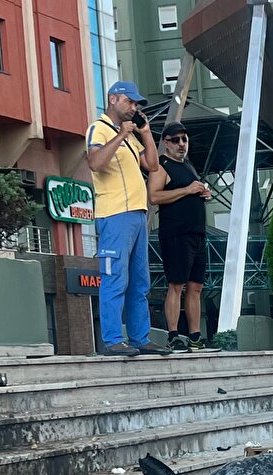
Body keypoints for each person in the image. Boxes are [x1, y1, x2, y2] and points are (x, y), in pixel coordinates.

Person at [86, 81, 170, 357]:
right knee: (114, 278)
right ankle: (112, 340)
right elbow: (95, 163)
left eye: (136, 103)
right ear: (113, 99)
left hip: (137, 214)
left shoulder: (132, 134)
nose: (134, 107)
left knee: (139, 281)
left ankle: (139, 337)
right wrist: (121, 135)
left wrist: (145, 134)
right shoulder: (99, 128)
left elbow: (154, 166)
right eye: (130, 101)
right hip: (114, 215)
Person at [148, 122, 214, 352]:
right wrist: (187, 190)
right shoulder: (161, 165)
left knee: (196, 286)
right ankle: (174, 335)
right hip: (176, 233)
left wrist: (204, 193)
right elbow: (154, 196)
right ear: (166, 142)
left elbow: (192, 190)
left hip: (197, 233)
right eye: (176, 140)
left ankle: (195, 336)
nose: (181, 144)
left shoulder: (188, 165)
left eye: (184, 139)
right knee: (176, 284)